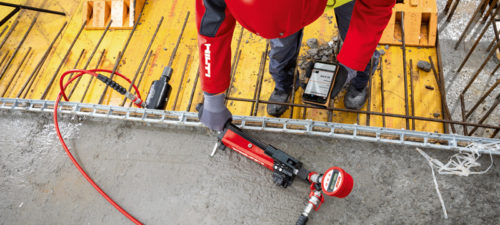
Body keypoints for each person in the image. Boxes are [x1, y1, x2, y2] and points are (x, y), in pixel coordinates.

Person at [196, 0, 395, 131]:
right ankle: (284, 85)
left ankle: (359, 82)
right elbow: (211, 28)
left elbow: (376, 7)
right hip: (288, 10)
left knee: (358, 38)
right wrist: (212, 94)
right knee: (281, 48)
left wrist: (352, 62)